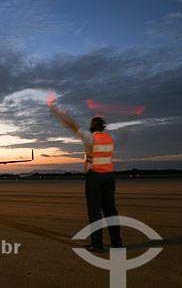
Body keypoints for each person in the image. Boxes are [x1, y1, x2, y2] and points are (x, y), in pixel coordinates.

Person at [49, 101, 122, 253]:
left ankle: (97, 245)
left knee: (95, 212)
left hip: (95, 177)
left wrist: (58, 113)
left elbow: (72, 125)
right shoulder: (110, 139)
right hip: (109, 177)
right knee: (111, 211)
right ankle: (117, 243)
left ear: (92, 127)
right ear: (103, 127)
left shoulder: (90, 138)